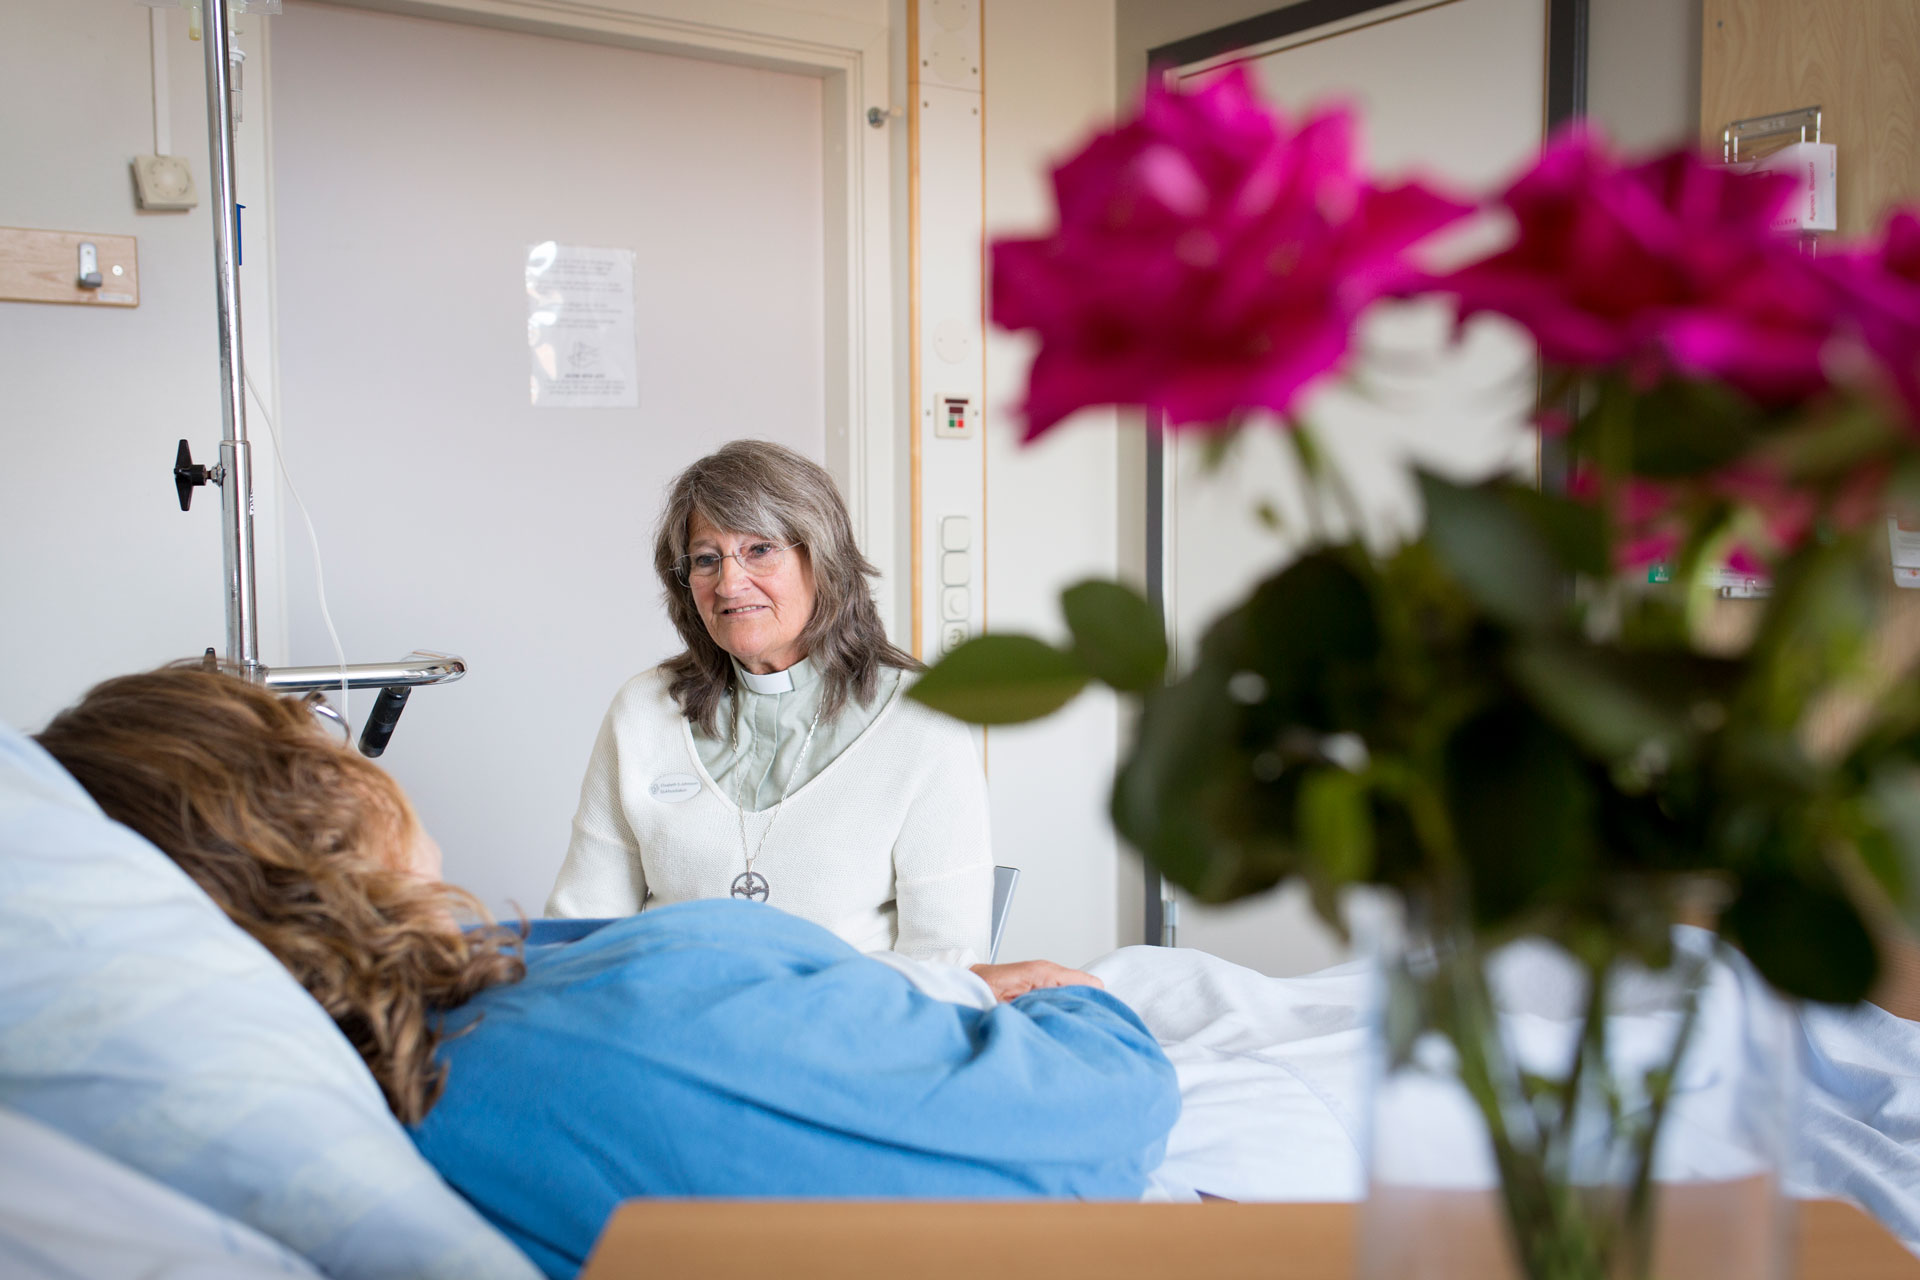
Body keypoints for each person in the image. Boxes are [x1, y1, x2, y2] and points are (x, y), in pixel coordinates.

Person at [34, 667, 1180, 1280]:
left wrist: (936, 982)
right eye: (307, 736)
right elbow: (1083, 1129)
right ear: (307, 803)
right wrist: (1084, 1005)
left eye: (760, 548)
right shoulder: (625, 1022)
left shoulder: (441, 1028)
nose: (731, 578)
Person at [547, 440, 997, 971]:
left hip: (847, 1015)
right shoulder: (643, 711)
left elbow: (946, 959)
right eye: (707, 559)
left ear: (823, 559)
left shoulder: (922, 718)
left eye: (760, 550)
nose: (730, 583)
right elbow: (581, 929)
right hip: (670, 1009)